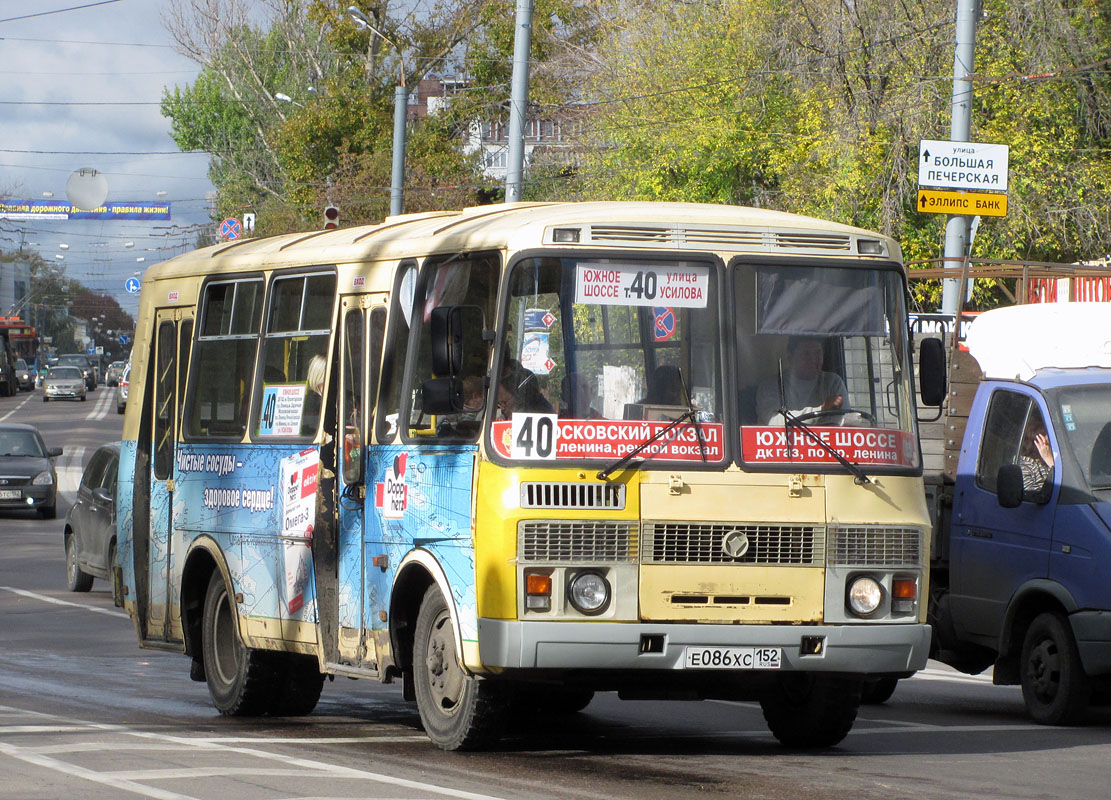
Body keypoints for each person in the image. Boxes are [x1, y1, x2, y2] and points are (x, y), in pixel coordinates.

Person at [756, 336, 848, 425]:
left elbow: (845, 422)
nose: (812, 359)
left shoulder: (833, 383)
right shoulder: (770, 387)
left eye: (817, 353)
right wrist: (821, 410)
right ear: (790, 357)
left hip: (824, 441)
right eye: (806, 354)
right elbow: (774, 421)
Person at [1019, 415, 1054, 495]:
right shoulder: (1025, 468)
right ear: (1039, 443)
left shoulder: (1044, 463)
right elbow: (1036, 497)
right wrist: (1050, 461)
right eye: (1048, 442)